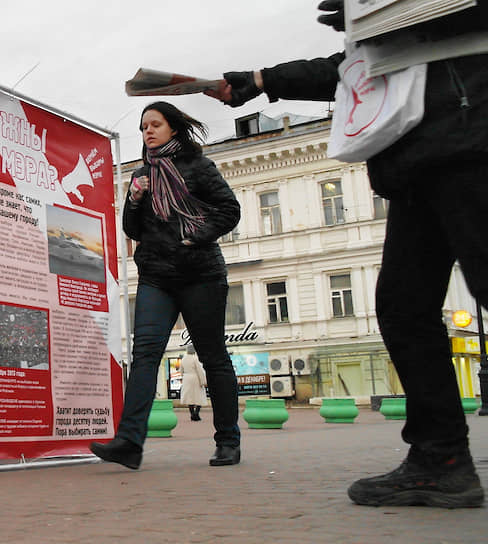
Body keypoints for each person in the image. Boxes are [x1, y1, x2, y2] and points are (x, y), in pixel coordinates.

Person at [205, 0, 486, 509]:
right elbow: (353, 70)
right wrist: (262, 78)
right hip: (417, 159)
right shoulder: (384, 31)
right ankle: (441, 459)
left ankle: (440, 458)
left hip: (470, 140)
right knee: (403, 309)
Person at [90, 101, 242, 469]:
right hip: (156, 276)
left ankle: (228, 441)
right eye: (144, 127)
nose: (148, 132)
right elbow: (131, 229)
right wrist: (135, 199)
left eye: (155, 124)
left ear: (173, 128)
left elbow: (229, 209)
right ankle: (129, 442)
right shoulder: (142, 174)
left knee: (213, 357)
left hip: (200, 274)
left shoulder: (199, 167)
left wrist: (196, 235)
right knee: (144, 357)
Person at [180, 345, 207, 422]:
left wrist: (184, 377)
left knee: (189, 397)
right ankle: (196, 413)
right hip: (195, 378)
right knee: (199, 396)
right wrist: (203, 381)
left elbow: (181, 371)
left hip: (186, 378)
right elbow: (200, 370)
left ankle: (192, 414)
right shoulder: (196, 358)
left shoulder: (184, 359)